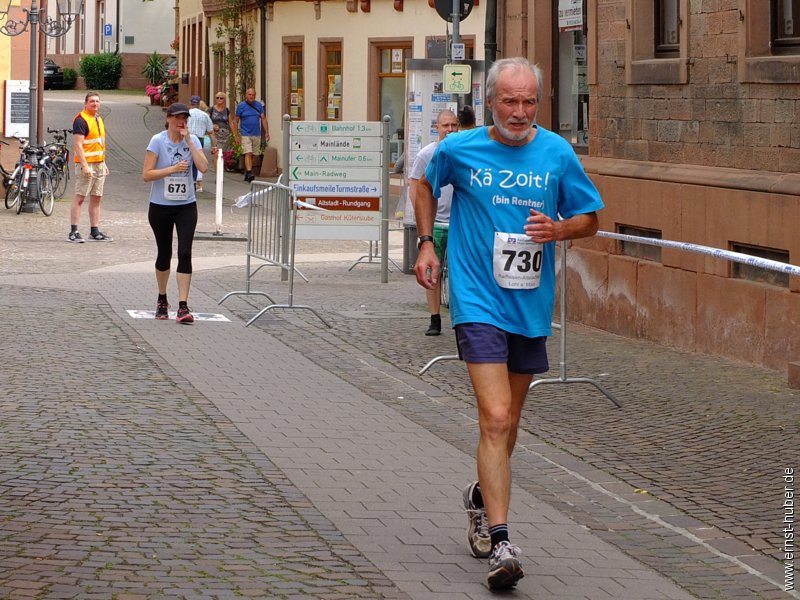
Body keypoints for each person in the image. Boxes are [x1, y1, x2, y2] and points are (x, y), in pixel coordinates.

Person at [413, 57, 604, 590]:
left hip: (530, 304)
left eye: (528, 102)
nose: (518, 112)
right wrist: (427, 243)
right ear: (490, 100)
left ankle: (479, 496)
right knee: (494, 415)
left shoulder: (557, 153)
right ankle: (502, 542)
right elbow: (422, 187)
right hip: (476, 299)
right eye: (509, 101)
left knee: (509, 422)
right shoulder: (459, 148)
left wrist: (559, 228)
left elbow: (591, 218)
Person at [142, 102, 209, 324]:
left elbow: (204, 167)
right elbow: (147, 174)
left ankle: (183, 305)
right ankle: (162, 298)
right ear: (169, 118)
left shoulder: (193, 140)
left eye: (185, 119)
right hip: (160, 205)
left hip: (186, 205)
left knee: (185, 252)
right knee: (164, 253)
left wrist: (189, 140)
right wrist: (172, 169)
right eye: (178, 118)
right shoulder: (157, 140)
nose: (182, 122)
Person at [409, 109, 459, 336]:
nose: (450, 129)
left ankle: (462, 320)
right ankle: (435, 318)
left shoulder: (463, 152)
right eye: (445, 125)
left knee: (461, 272)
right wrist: (423, 225)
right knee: (433, 271)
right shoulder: (426, 154)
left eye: (453, 125)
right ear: (436, 128)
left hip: (458, 222)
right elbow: (416, 188)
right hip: (437, 222)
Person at [68, 91, 112, 242]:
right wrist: (85, 166)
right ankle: (73, 231)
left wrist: (103, 163)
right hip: (85, 165)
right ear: (86, 103)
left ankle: (95, 231)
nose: (95, 104)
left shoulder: (98, 119)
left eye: (97, 101)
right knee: (80, 197)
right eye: (92, 101)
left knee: (97, 197)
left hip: (99, 164)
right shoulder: (81, 120)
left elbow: (100, 143)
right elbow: (78, 145)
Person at [234, 87, 270, 183]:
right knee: (248, 153)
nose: (251, 96)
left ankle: (247, 171)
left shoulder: (258, 105)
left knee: (254, 154)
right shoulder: (241, 106)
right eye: (249, 94)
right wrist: (236, 135)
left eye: (253, 95)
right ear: (246, 95)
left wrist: (267, 132)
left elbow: (263, 119)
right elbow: (236, 121)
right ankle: (250, 172)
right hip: (245, 133)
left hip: (256, 133)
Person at [187, 95, 215, 193]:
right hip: (199, 140)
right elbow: (211, 132)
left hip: (187, 139)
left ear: (190, 103)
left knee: (186, 161)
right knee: (197, 162)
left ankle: (187, 182)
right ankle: (194, 183)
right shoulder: (205, 115)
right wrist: (214, 146)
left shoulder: (186, 113)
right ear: (199, 104)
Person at [209, 91, 235, 155]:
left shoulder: (226, 110)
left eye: (221, 98)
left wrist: (234, 135)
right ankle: (217, 165)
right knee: (216, 152)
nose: (219, 99)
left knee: (223, 153)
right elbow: (207, 121)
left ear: (224, 99)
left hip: (225, 135)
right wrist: (212, 125)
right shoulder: (211, 109)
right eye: (217, 98)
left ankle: (221, 165)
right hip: (215, 134)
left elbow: (231, 123)